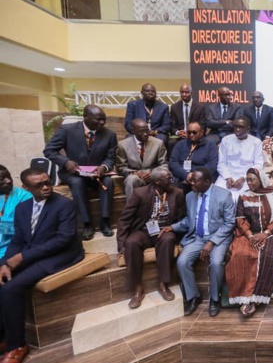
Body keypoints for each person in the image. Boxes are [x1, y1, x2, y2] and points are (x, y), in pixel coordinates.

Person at [0, 168, 84, 363]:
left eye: (47, 182)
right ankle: (5, 337)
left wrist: (23, 258)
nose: (46, 187)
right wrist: (4, 263)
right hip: (34, 252)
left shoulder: (64, 204)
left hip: (61, 254)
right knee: (2, 280)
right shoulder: (23, 208)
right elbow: (18, 240)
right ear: (26, 188)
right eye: (38, 185)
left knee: (12, 288)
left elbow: (63, 240)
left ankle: (17, 346)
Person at [162, 168, 235, 318]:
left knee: (215, 262)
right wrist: (173, 227)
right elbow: (190, 220)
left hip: (218, 237)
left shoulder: (224, 195)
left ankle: (215, 299)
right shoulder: (190, 196)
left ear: (207, 181)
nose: (191, 183)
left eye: (195, 181)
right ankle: (193, 296)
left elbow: (229, 223)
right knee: (182, 261)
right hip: (198, 237)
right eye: (191, 180)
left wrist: (211, 242)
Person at [43, 104, 117, 240]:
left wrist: (104, 167)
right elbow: (49, 151)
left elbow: (110, 157)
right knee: (77, 182)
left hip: (96, 173)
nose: (102, 123)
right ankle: (86, 223)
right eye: (98, 119)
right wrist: (66, 162)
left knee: (108, 182)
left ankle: (105, 221)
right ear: (85, 117)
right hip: (73, 172)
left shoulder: (110, 134)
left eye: (104, 120)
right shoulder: (67, 130)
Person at [116, 167, 185, 309]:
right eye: (168, 178)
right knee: (132, 242)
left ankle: (163, 284)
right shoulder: (140, 193)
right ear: (157, 181)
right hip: (144, 230)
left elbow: (182, 217)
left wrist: (174, 229)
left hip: (165, 229)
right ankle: (137, 288)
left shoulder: (177, 193)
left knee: (168, 240)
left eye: (171, 177)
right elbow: (124, 219)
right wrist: (121, 245)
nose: (172, 180)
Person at [226, 168, 273, 318]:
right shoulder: (244, 196)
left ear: (261, 179)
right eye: (247, 180)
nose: (249, 182)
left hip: (270, 233)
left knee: (271, 254)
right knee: (240, 254)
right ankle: (245, 297)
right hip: (248, 234)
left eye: (252, 179)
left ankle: (258, 297)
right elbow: (240, 219)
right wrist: (250, 235)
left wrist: (265, 233)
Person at [214, 117, 264, 202]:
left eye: (241, 127)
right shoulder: (226, 140)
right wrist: (227, 177)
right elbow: (221, 163)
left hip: (247, 176)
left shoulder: (256, 142)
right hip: (227, 175)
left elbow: (258, 164)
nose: (237, 129)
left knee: (241, 200)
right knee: (215, 197)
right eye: (235, 126)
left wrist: (244, 178)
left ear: (248, 129)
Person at [116, 119, 168, 199]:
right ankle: (131, 208)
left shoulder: (158, 143)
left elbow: (164, 164)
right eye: (141, 132)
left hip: (153, 177)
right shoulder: (123, 145)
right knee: (130, 179)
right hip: (135, 177)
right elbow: (121, 167)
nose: (145, 134)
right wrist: (136, 173)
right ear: (133, 131)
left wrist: (152, 174)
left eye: (147, 131)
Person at [169, 122, 218, 193]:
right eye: (189, 132)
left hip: (201, 180)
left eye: (194, 132)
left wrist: (195, 176)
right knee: (172, 190)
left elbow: (212, 165)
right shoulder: (180, 144)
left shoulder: (210, 145)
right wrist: (186, 175)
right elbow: (173, 163)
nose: (191, 135)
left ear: (202, 132)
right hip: (183, 178)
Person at [0, 166, 32, 259]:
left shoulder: (24, 196)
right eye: (2, 179)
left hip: (11, 248)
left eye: (9, 176)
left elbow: (25, 229)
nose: (8, 181)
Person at [169, 84, 206, 152]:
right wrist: (178, 132)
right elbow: (171, 125)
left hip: (195, 135)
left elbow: (202, 125)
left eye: (186, 92)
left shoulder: (200, 107)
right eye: (182, 92)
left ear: (191, 93)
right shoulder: (174, 107)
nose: (184, 94)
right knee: (171, 143)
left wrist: (190, 133)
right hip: (180, 136)